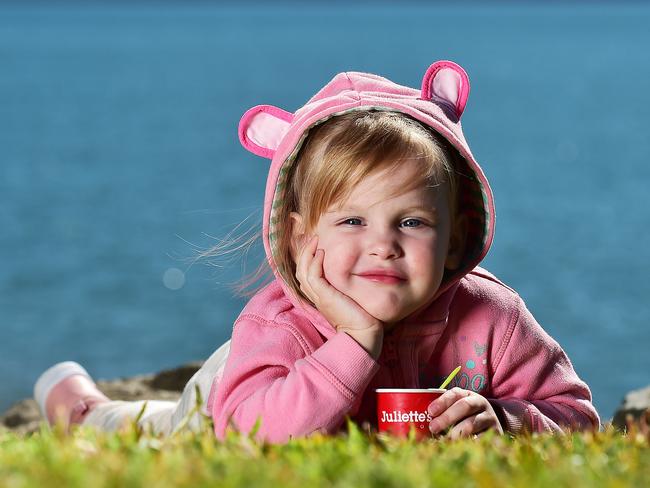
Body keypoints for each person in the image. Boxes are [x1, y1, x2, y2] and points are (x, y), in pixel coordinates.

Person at [34, 60, 600, 443]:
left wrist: (506, 419)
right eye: (352, 220)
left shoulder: (490, 317)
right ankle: (86, 410)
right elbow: (255, 439)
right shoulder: (277, 324)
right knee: (155, 435)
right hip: (232, 397)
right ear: (304, 239)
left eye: (412, 221)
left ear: (455, 237)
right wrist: (354, 341)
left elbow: (577, 417)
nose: (383, 243)